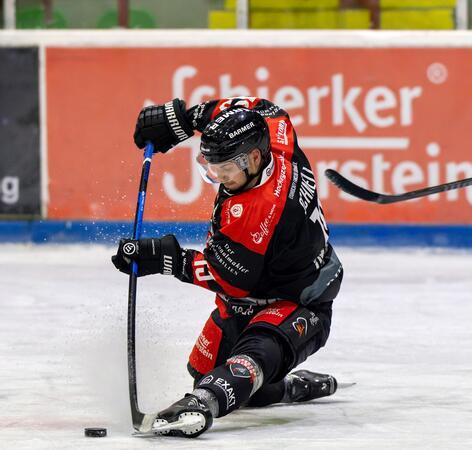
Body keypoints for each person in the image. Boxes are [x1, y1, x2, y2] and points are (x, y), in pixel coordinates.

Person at [112, 97, 344, 436]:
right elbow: (262, 107)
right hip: (252, 295)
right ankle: (294, 387)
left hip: (298, 301)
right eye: (211, 167)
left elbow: (232, 280)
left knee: (252, 359)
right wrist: (182, 120)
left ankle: (201, 403)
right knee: (216, 376)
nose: (219, 176)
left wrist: (165, 258)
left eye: (226, 169)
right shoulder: (276, 136)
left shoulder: (259, 210)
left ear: (253, 158)